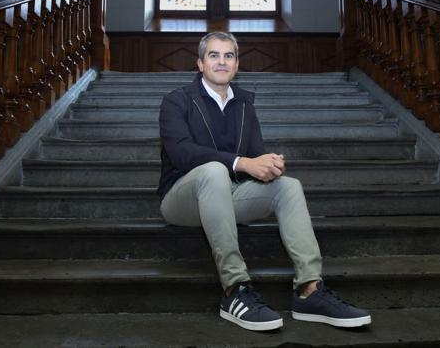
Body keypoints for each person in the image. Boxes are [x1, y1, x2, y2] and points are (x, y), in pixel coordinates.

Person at [158, 32, 371, 331]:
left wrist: (269, 164)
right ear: (200, 64)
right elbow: (182, 153)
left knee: (289, 186)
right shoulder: (177, 100)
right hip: (181, 199)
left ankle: (310, 289)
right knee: (214, 170)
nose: (222, 61)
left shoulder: (244, 104)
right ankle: (235, 290)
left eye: (228, 56)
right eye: (214, 55)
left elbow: (255, 154)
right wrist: (242, 163)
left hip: (226, 196)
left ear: (236, 65)